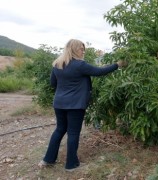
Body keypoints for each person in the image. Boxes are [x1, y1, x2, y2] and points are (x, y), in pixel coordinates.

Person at [38, 39, 128, 171]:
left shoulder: (57, 64)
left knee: (59, 130)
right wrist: (117, 65)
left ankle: (48, 160)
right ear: (74, 49)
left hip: (59, 103)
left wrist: (66, 87)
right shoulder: (80, 65)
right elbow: (99, 71)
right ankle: (71, 164)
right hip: (75, 105)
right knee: (73, 133)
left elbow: (53, 83)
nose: (83, 51)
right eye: (81, 48)